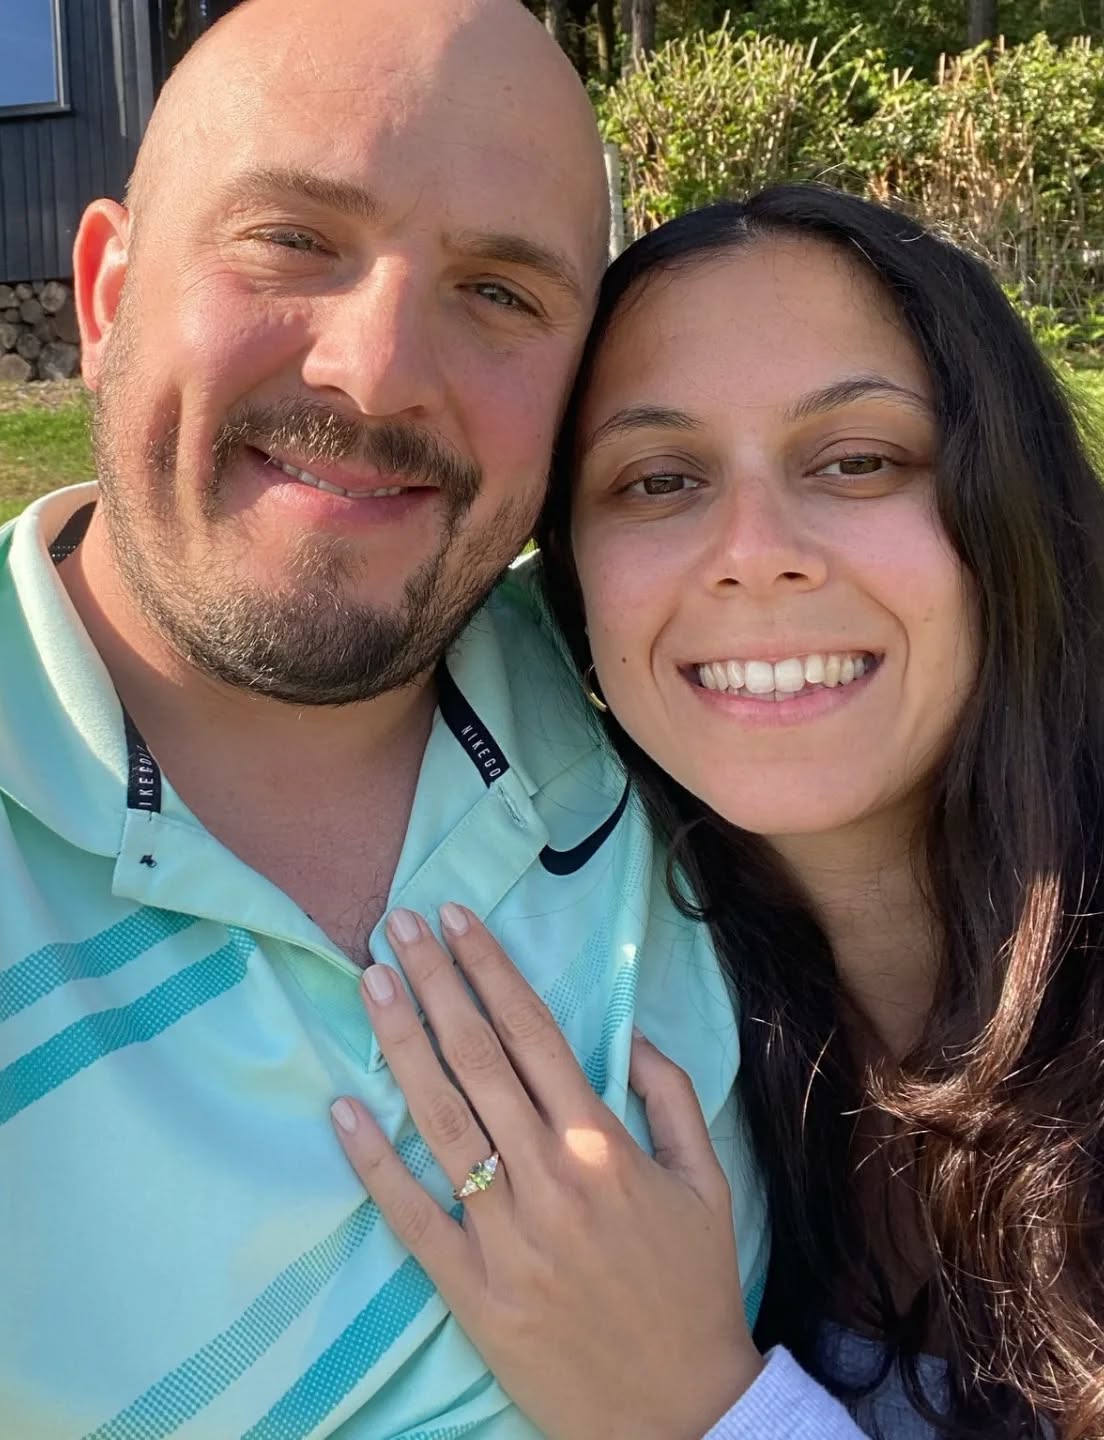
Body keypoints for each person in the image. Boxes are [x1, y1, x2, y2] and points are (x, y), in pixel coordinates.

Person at [0, 1, 768, 1435]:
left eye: (501, 291)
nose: (375, 374)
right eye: (293, 239)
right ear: (107, 294)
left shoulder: (685, 718)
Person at [330, 184, 1104, 1439]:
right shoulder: (647, 1009)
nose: (753, 549)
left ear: (1013, 511)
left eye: (858, 460)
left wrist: (700, 1409)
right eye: (658, 479)